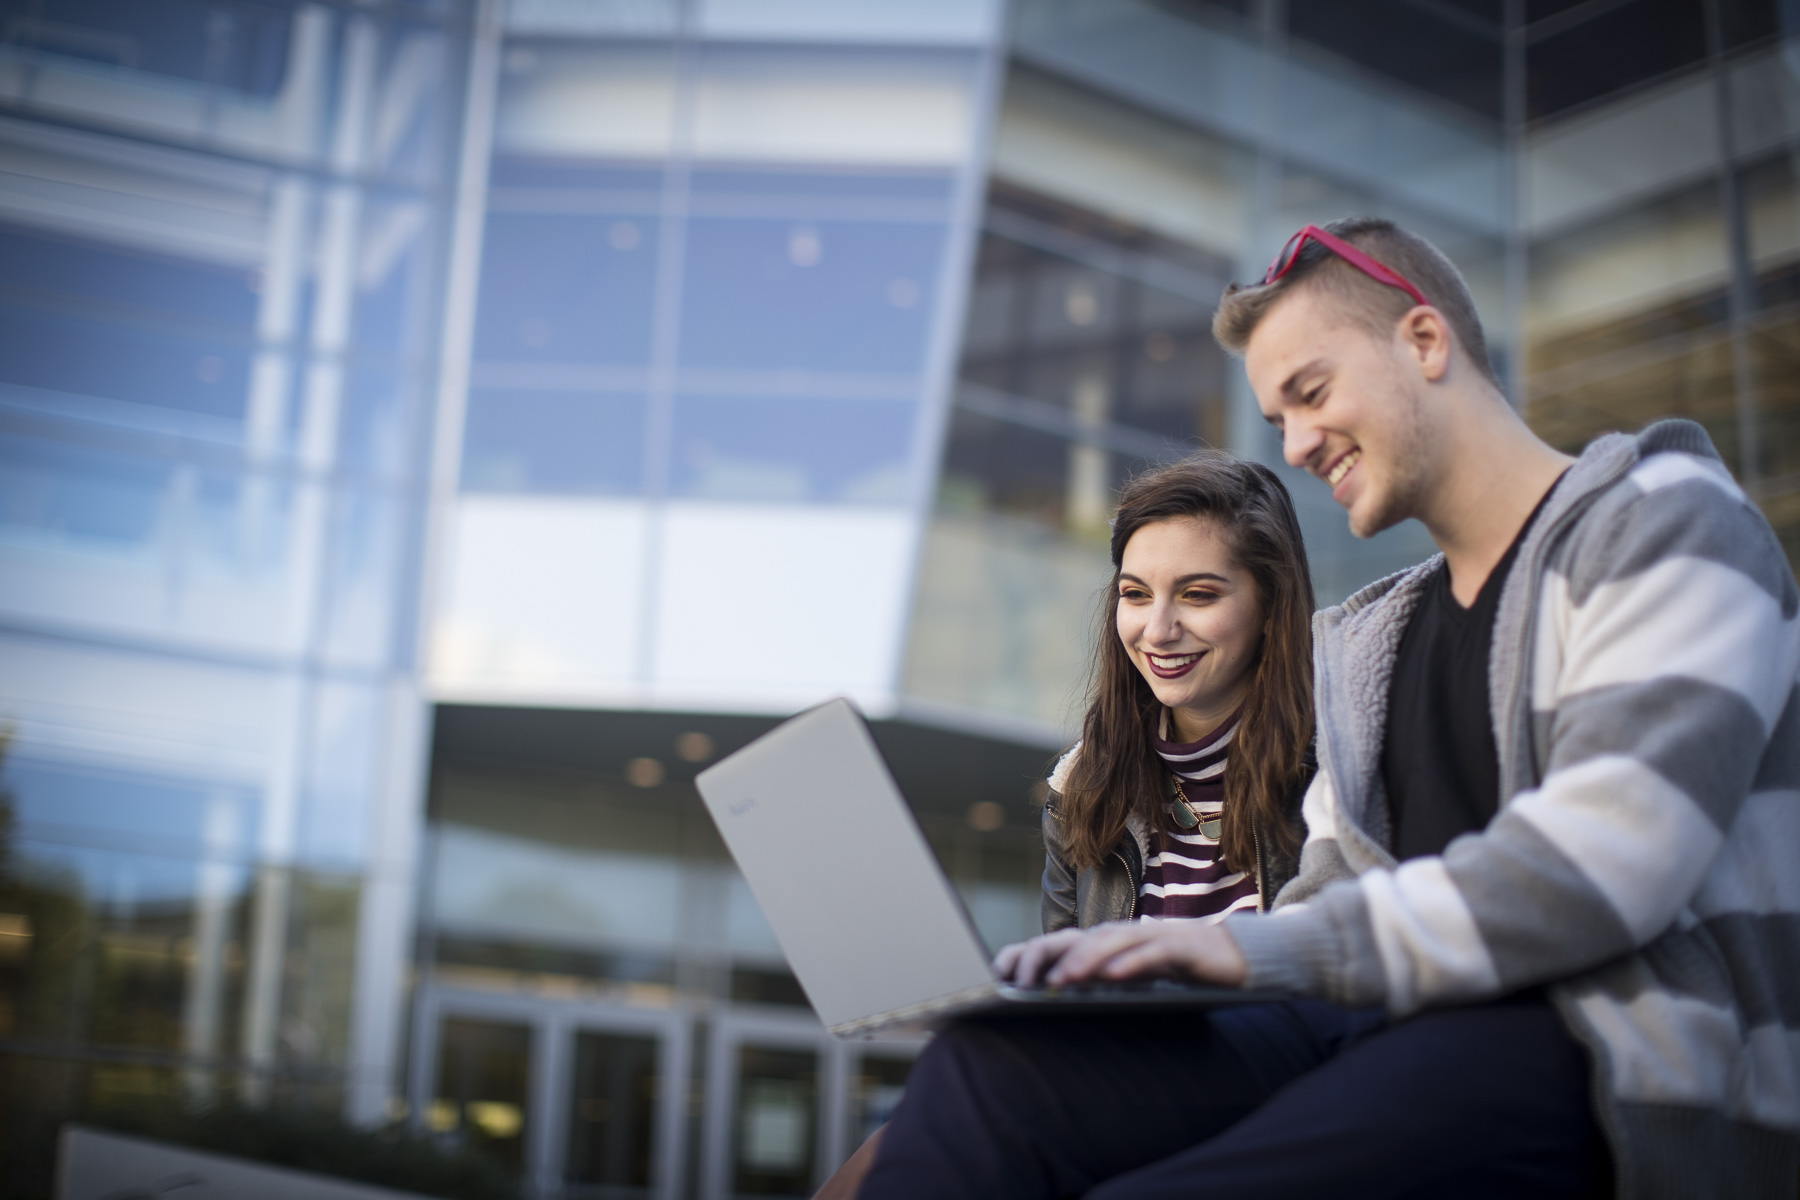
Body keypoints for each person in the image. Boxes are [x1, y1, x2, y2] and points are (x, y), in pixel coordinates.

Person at [852, 216, 1800, 1199]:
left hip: (1604, 1052)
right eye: (1279, 420)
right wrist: (1133, 974)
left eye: (1312, 393)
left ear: (1425, 343)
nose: (1298, 445)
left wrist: (1234, 941)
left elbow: (1608, 861)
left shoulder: (1666, 521)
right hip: (1383, 1035)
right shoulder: (1372, 644)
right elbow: (1325, 904)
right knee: (984, 1072)